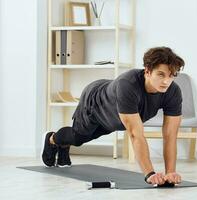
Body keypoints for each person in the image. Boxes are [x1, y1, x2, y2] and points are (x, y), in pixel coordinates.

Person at [42, 46, 185, 186]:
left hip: (114, 119)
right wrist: (150, 174)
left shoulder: (173, 92)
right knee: (78, 137)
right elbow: (136, 135)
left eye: (171, 76)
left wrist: (170, 172)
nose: (167, 81)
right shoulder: (128, 85)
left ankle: (63, 146)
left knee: (83, 137)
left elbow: (170, 135)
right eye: (161, 74)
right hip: (95, 103)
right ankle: (52, 139)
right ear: (147, 71)